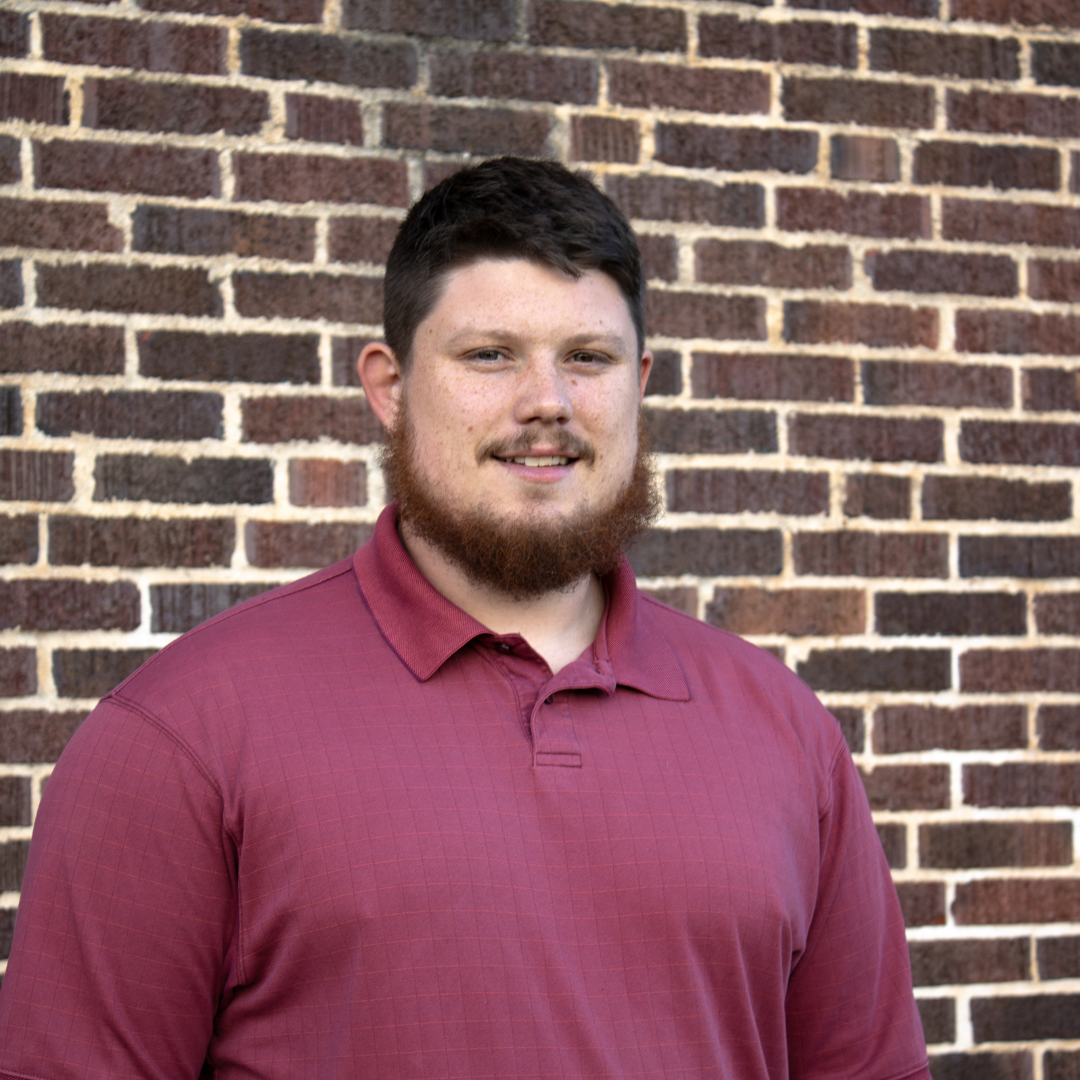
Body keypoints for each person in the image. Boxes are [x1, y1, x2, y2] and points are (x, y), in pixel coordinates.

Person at [0, 157, 930, 1080]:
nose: (547, 405)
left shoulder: (783, 729)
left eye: (588, 358)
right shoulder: (182, 735)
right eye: (490, 355)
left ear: (640, 381)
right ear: (390, 386)